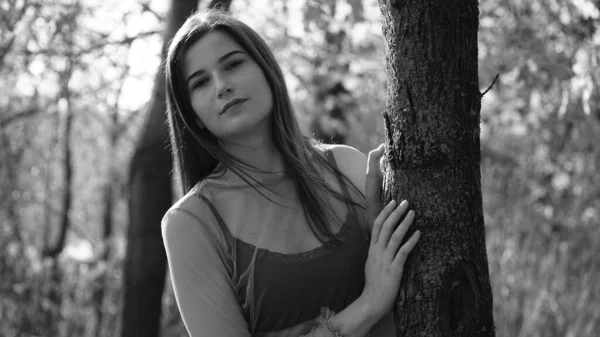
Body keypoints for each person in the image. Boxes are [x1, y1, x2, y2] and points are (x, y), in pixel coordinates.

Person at [161, 9, 421, 337]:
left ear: (267, 69)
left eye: (233, 64)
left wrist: (371, 234)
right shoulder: (192, 222)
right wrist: (369, 303)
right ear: (193, 116)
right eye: (200, 83)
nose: (222, 86)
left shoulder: (350, 169)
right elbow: (378, 299)